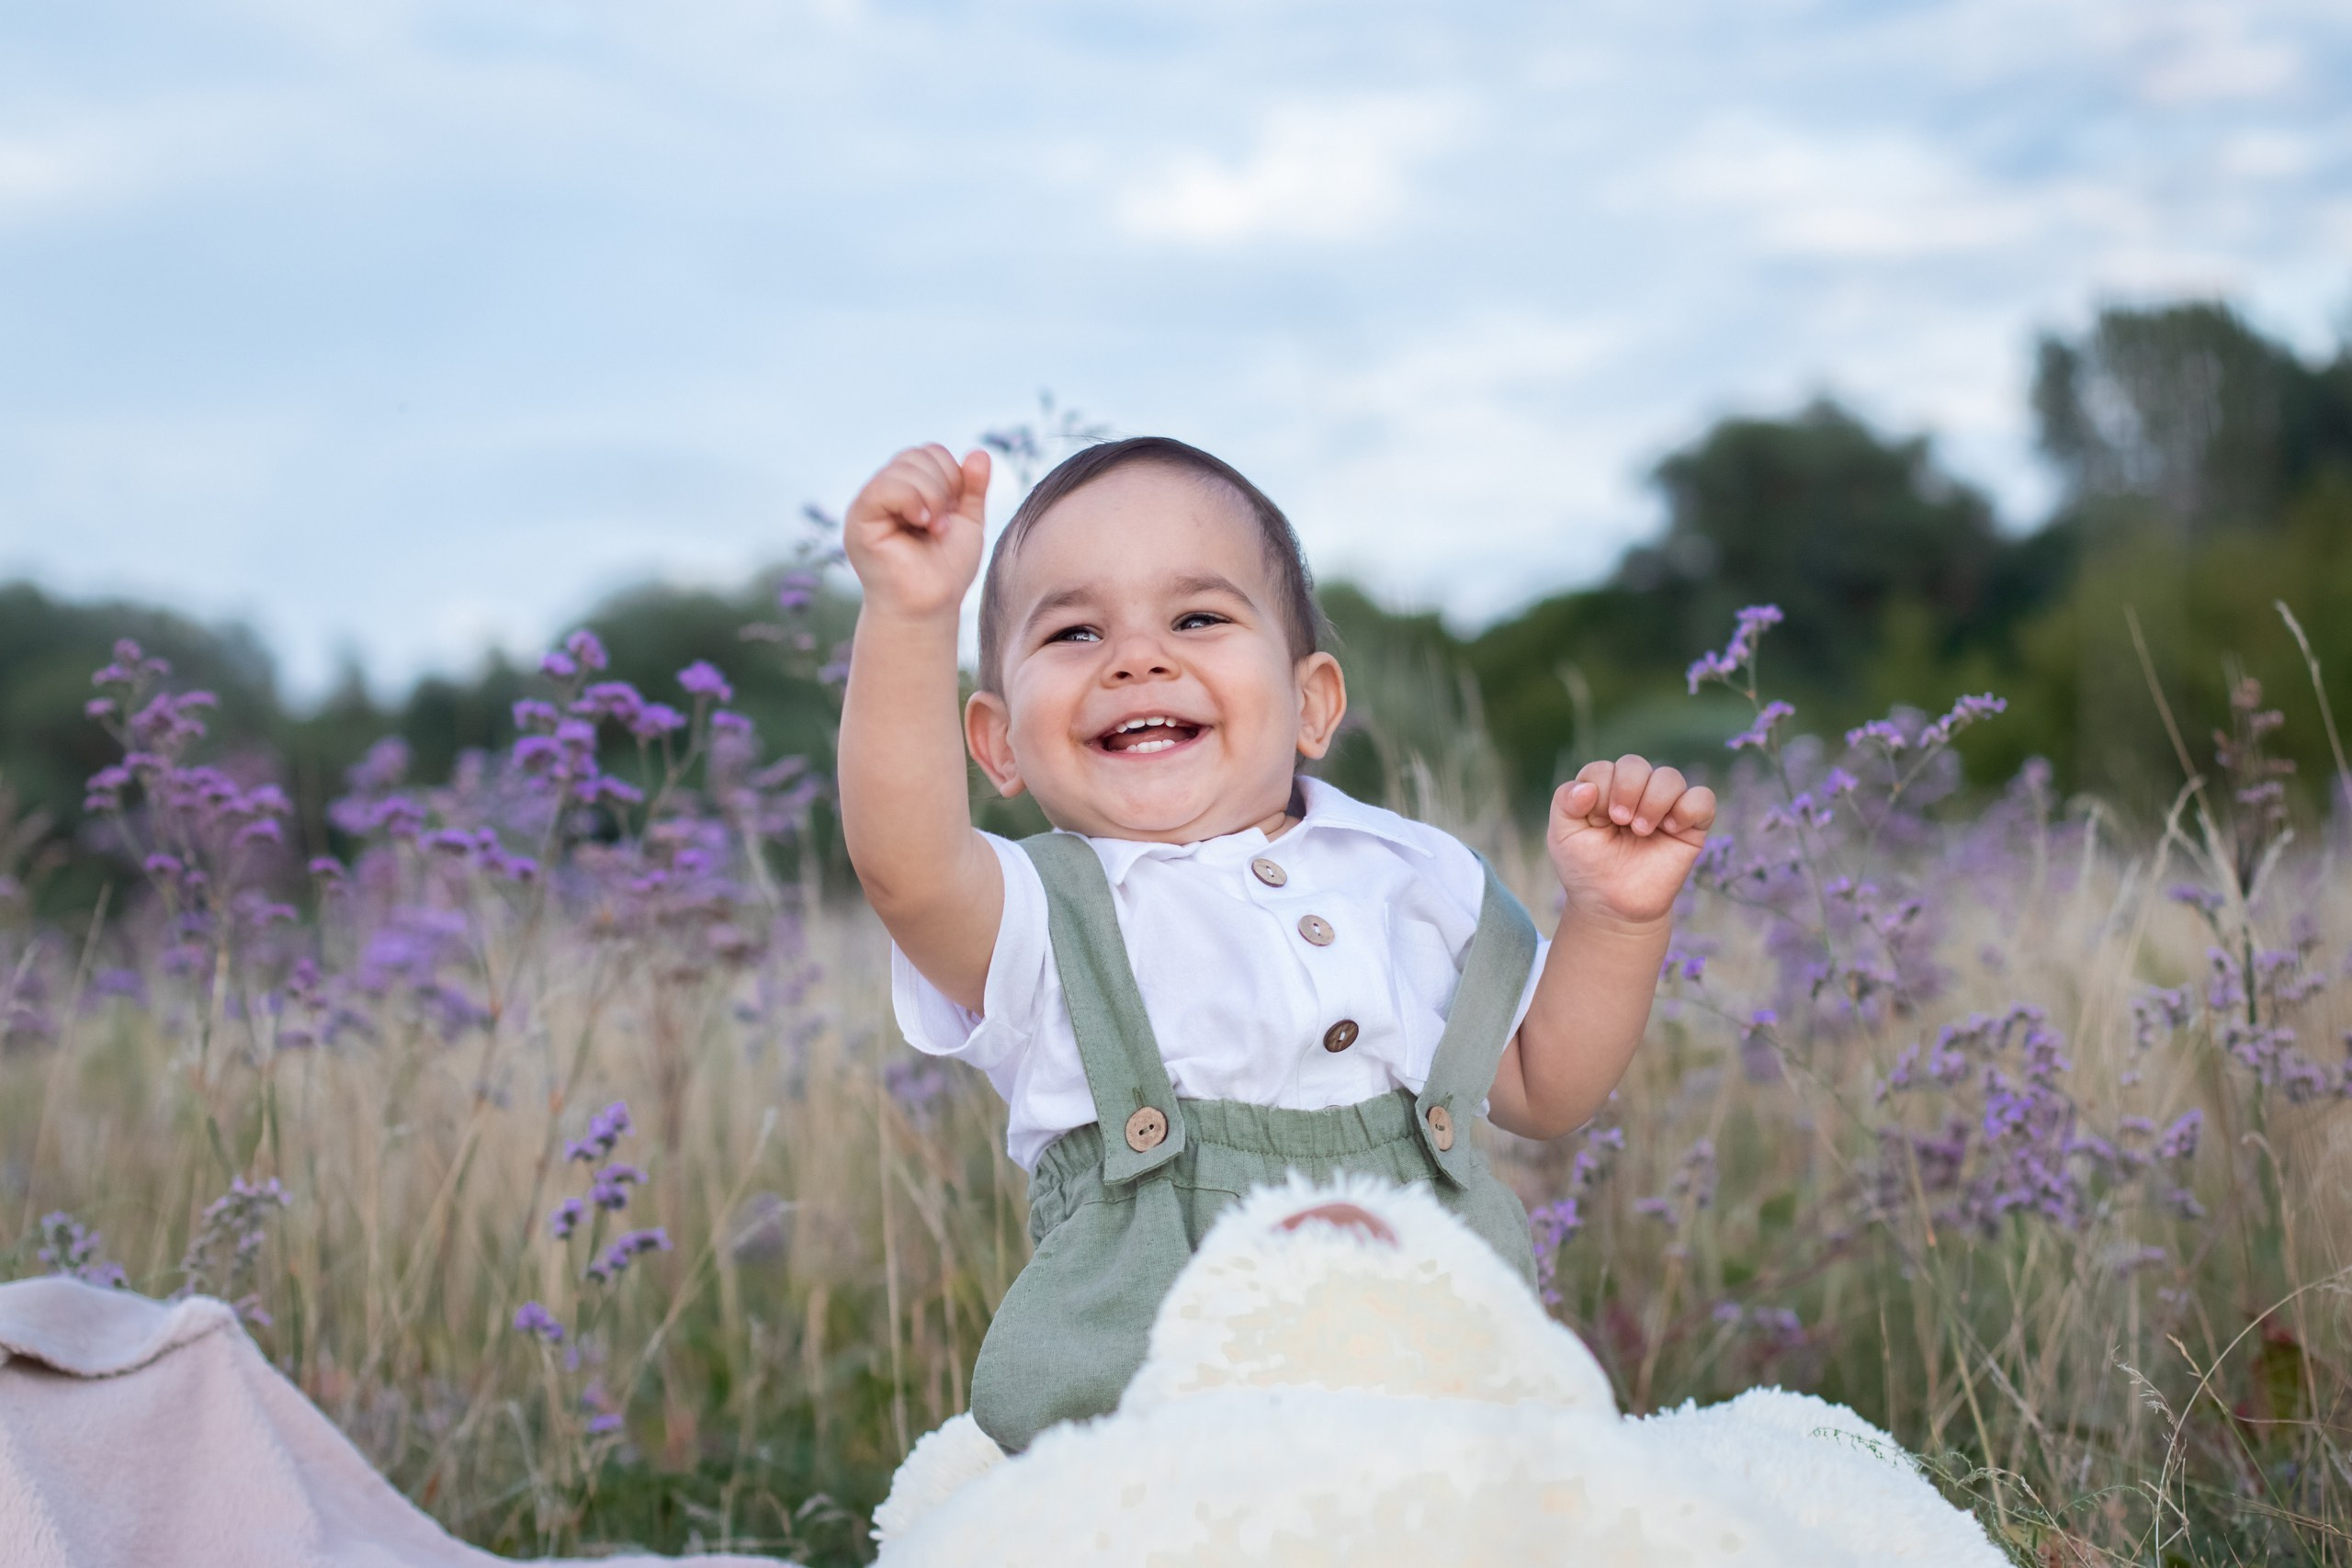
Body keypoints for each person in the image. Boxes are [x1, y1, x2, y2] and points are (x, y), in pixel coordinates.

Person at [837, 435, 1714, 1453]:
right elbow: (903, 863)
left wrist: (1615, 919)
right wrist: (908, 613)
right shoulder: (1038, 911)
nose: (1136, 657)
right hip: (1162, 1449)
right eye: (1074, 632)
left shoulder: (1409, 873)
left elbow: (1543, 1089)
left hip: (1444, 1409)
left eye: (1198, 617)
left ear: (1311, 703)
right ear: (994, 742)